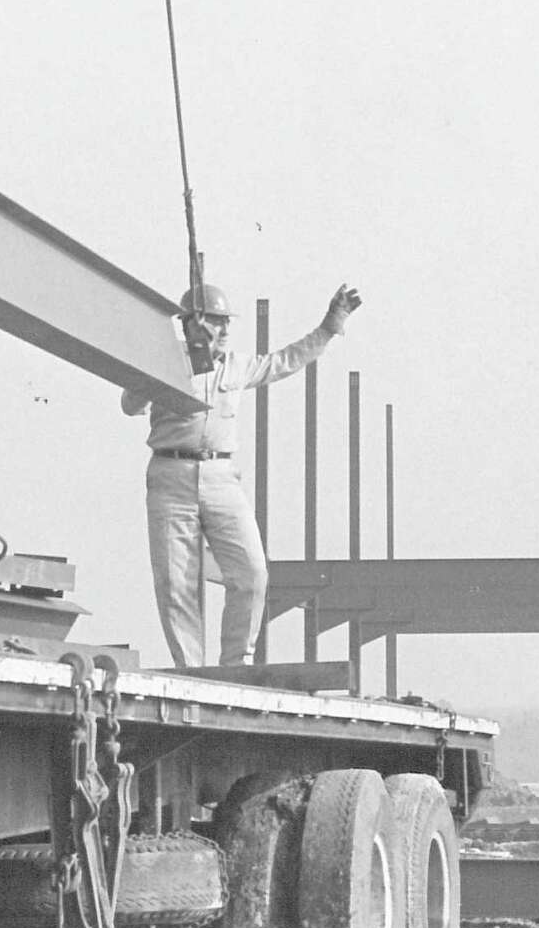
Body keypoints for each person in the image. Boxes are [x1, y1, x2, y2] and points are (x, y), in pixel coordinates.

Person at [121, 280, 361, 668]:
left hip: (221, 475)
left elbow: (286, 360)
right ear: (193, 323)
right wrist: (162, 366)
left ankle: (236, 663)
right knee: (175, 582)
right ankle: (192, 670)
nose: (226, 329)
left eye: (225, 321)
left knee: (252, 572)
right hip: (170, 473)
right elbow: (129, 405)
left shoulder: (236, 365)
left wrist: (329, 328)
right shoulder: (163, 358)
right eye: (217, 321)